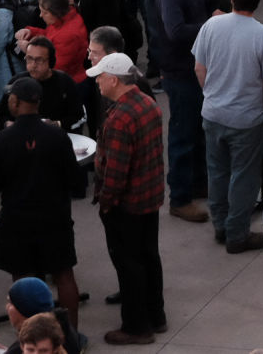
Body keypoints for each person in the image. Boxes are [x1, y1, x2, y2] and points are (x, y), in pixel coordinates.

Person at [0, 77, 85, 330]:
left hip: (17, 222)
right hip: (55, 218)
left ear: (14, 102)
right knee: (63, 274)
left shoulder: (2, 140)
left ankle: (31, 338)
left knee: (23, 280)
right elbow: (76, 181)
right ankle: (69, 338)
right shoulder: (57, 136)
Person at [191, 0, 263, 253]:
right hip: (247, 120)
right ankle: (237, 234)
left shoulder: (211, 26)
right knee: (244, 177)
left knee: (217, 173)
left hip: (213, 114)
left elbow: (199, 68)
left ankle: (221, 226)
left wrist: (212, 95)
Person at [90, 50, 166, 346]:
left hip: (127, 204)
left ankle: (136, 327)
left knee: (128, 264)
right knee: (149, 257)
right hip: (150, 198)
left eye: (99, 78)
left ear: (112, 80)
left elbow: (116, 172)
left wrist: (106, 203)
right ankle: (155, 316)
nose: (97, 83)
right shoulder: (148, 103)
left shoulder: (120, 117)